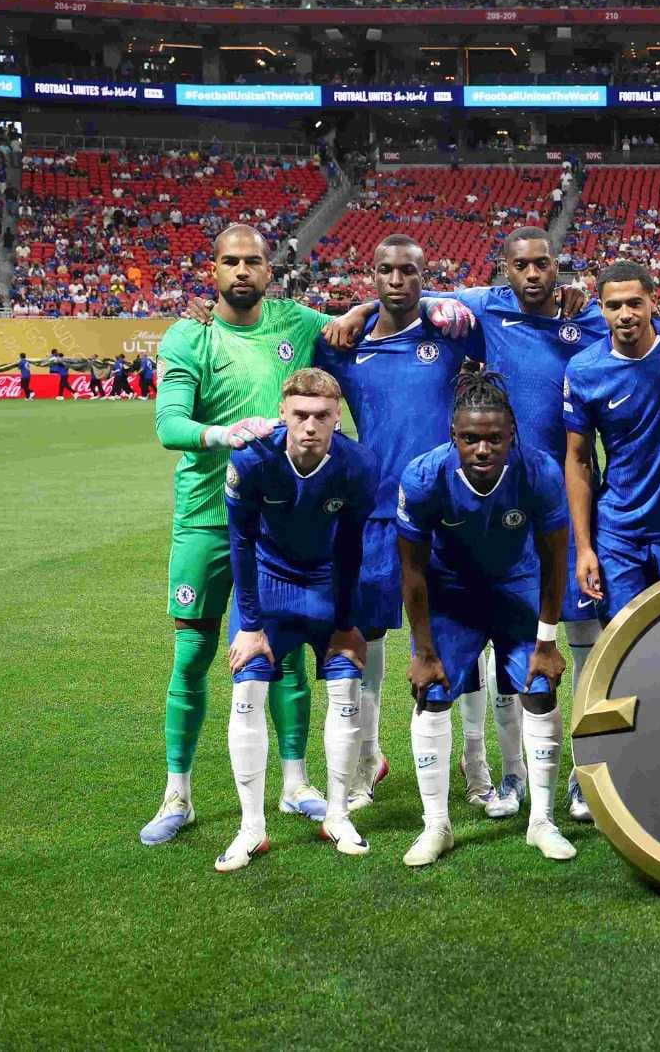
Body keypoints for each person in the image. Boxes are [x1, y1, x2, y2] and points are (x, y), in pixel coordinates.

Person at [326, 225, 660, 825]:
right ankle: (510, 774)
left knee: (575, 644)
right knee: (507, 652)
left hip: (553, 500)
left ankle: (586, 773)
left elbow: (647, 324)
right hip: (490, 500)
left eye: (543, 264)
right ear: (506, 270)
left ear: (560, 267)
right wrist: (362, 306)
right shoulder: (487, 307)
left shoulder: (593, 320)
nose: (532, 275)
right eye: (520, 266)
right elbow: (412, 297)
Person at [139, 224, 333, 847]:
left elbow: (362, 320)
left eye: (253, 261)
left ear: (270, 271)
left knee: (288, 649)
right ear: (212, 270)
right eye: (231, 261)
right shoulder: (189, 333)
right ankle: (178, 794)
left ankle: (296, 782)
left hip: (279, 516)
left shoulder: (295, 323)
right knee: (192, 654)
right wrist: (225, 434)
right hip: (205, 516)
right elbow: (169, 424)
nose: (243, 271)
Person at [313, 234, 479, 811]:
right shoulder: (343, 347)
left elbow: (502, 301)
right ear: (372, 276)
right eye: (386, 271)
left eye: (410, 272)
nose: (397, 280)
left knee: (459, 635)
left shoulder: (449, 332)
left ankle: (475, 765)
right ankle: (366, 760)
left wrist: (441, 299)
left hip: (448, 513)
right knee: (368, 637)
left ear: (422, 275)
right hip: (377, 514)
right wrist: (351, 313)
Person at [396, 369, 575, 865]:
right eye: (470, 438)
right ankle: (437, 827)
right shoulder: (424, 476)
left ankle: (542, 821)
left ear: (511, 437)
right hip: (452, 594)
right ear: (452, 436)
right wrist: (425, 652)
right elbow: (411, 572)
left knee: (539, 689)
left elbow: (555, 560)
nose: (482, 449)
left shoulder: (539, 472)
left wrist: (546, 640)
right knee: (431, 693)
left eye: (494, 439)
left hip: (515, 587)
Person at [217, 368, 378, 872]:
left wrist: (346, 622)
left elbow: (353, 546)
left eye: (322, 416)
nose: (310, 426)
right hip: (267, 587)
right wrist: (249, 623)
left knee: (347, 689)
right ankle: (251, 829)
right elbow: (240, 542)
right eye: (301, 415)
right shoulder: (252, 458)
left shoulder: (358, 465)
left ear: (337, 418)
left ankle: (337, 814)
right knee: (247, 693)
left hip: (327, 587)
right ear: (283, 415)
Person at [563, 261, 660, 631]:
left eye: (635, 303)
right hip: (618, 534)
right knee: (624, 646)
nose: (625, 314)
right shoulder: (584, 370)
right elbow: (578, 461)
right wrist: (585, 547)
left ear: (654, 301)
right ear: (600, 308)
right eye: (614, 305)